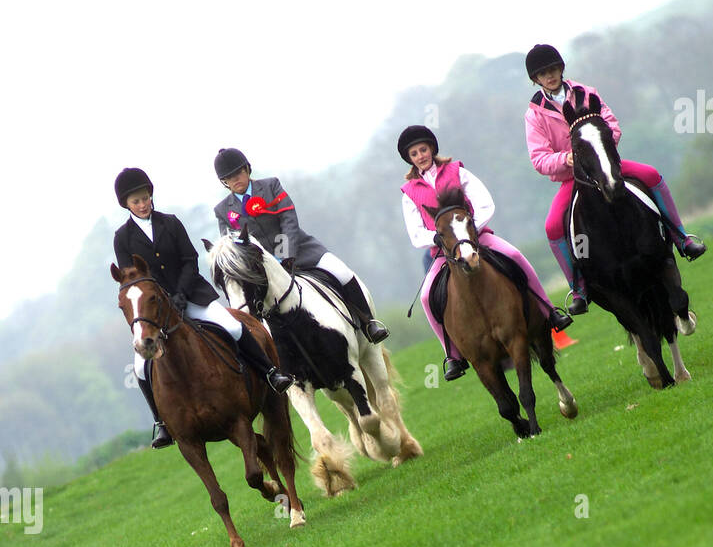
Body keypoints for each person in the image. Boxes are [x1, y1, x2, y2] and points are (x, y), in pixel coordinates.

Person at [113, 167, 289, 449]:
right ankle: (161, 422)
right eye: (136, 201)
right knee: (140, 366)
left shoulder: (170, 223)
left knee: (232, 325)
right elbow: (133, 278)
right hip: (157, 309)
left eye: (145, 198)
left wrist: (181, 293)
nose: (143, 204)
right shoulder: (122, 238)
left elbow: (189, 259)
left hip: (191, 296)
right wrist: (165, 300)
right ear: (127, 205)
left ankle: (270, 373)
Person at [524, 44, 706, 315]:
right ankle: (579, 287)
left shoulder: (586, 93)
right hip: (573, 178)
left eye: (552, 69)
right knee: (553, 227)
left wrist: (598, 152)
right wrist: (566, 159)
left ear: (561, 68)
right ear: (535, 79)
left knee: (651, 175)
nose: (549, 76)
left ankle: (681, 238)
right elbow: (539, 159)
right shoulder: (534, 114)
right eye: (542, 73)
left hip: (606, 164)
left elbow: (611, 125)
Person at [398, 124, 572, 381]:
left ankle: (549, 311)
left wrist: (470, 233)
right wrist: (438, 238)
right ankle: (452, 355)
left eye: (423, 149)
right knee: (425, 296)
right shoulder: (409, 192)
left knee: (514, 256)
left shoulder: (457, 171)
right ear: (409, 159)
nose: (420, 156)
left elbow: (484, 203)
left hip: (477, 237)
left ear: (432, 148)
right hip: (444, 250)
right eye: (414, 154)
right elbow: (415, 233)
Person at [213, 147, 388, 344]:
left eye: (238, 173)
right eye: (229, 177)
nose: (235, 180)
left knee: (342, 272)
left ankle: (369, 324)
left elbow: (288, 219)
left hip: (302, 251)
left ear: (247, 169)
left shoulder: (271, 186)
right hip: (263, 271)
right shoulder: (222, 210)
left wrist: (284, 255)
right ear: (224, 182)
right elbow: (233, 248)